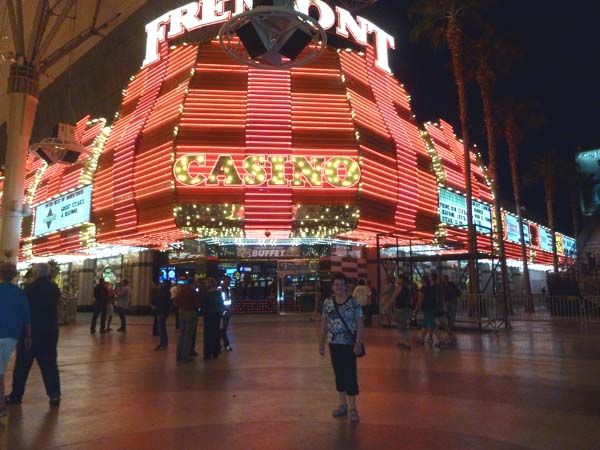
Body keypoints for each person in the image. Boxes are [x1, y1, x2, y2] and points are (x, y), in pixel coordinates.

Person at [6, 263, 61, 407]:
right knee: (49, 365)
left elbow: (24, 312)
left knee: (22, 366)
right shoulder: (54, 288)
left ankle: (16, 396)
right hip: (50, 332)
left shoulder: (29, 289)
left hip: (31, 333)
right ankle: (54, 395)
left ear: (36, 273)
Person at [319, 272, 364, 424]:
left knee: (350, 374)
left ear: (346, 286)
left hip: (349, 344)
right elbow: (324, 323)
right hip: (334, 343)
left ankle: (353, 408)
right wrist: (321, 343)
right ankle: (342, 404)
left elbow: (360, 323)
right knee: (338, 373)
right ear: (332, 287)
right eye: (336, 284)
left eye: (341, 284)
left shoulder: (353, 302)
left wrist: (358, 342)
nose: (339, 287)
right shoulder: (328, 303)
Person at [0, 262, 31, 417]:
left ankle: (1, 406)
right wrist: (28, 336)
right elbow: (26, 316)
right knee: (1, 369)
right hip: (12, 336)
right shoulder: (19, 293)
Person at [415, 275, 446, 348]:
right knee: (426, 323)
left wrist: (416, 309)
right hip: (433, 307)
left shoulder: (422, 290)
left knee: (432, 324)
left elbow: (420, 300)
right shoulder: (432, 288)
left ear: (423, 281)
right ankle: (422, 338)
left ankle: (441, 340)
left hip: (426, 308)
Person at [174, 278, 200, 362]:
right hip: (191, 313)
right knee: (188, 335)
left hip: (181, 312)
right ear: (193, 283)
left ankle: (179, 355)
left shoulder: (181, 290)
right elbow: (197, 303)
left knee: (181, 334)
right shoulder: (193, 292)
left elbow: (176, 301)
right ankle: (185, 356)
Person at [202, 278, 223, 360]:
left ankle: (208, 353)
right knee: (216, 332)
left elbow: (203, 304)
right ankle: (215, 351)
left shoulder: (206, 294)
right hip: (217, 314)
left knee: (208, 334)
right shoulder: (218, 293)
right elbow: (221, 303)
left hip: (208, 314)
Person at [393, 275, 412, 349]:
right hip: (405, 308)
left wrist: (387, 305)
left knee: (402, 326)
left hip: (401, 309)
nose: (397, 280)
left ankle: (406, 343)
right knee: (402, 326)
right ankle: (403, 341)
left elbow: (393, 297)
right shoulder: (406, 288)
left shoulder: (401, 287)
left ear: (401, 279)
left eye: (398, 278)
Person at [441, 275, 460, 339]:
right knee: (447, 316)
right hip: (447, 302)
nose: (444, 280)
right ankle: (449, 329)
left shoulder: (451, 285)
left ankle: (449, 329)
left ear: (447, 279)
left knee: (451, 316)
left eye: (445, 279)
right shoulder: (443, 286)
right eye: (443, 279)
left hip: (452, 302)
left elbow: (457, 292)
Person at [154, 281, 172, 351]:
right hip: (163, 312)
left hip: (162, 312)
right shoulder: (167, 293)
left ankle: (163, 343)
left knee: (161, 327)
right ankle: (164, 342)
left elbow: (161, 303)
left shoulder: (163, 294)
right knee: (162, 327)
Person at [220, 276, 233, 352]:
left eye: (229, 281)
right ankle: (226, 345)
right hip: (223, 312)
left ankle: (221, 345)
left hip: (227, 311)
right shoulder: (221, 290)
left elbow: (230, 300)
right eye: (227, 281)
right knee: (222, 329)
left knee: (223, 329)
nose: (228, 282)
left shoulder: (228, 289)